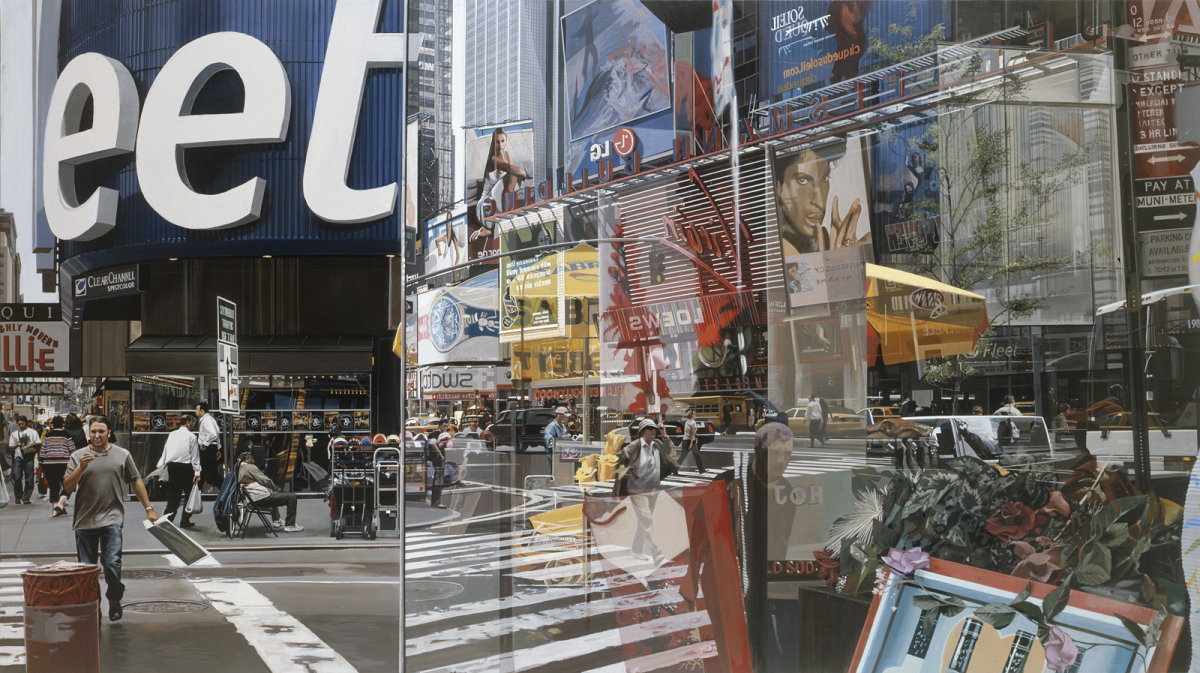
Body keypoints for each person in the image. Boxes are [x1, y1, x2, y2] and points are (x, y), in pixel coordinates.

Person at [62, 416, 159, 622]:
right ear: (89, 433)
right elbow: (67, 488)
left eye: (101, 431)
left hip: (112, 518)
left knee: (112, 563)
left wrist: (149, 509)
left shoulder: (122, 454)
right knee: (87, 570)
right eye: (93, 431)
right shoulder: (78, 456)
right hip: (84, 520)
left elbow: (135, 480)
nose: (97, 435)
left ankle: (114, 599)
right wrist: (80, 467)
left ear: (109, 433)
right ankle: (94, 606)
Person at [774, 142, 863, 256]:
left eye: (825, 178)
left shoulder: (823, 244)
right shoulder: (776, 251)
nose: (820, 202)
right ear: (778, 186)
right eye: (803, 180)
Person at [618, 418, 680, 562]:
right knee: (647, 522)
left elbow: (672, 453)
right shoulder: (634, 447)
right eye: (650, 428)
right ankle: (657, 555)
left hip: (653, 490)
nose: (654, 431)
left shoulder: (656, 445)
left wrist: (665, 435)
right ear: (642, 432)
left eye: (654, 428)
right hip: (637, 490)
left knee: (643, 522)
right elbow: (621, 460)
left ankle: (636, 549)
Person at [236, 452, 303, 532]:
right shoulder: (249, 467)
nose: (253, 459)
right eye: (252, 458)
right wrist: (274, 488)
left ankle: (276, 520)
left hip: (252, 498)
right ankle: (290, 525)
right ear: (247, 459)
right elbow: (266, 480)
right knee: (292, 497)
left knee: (270, 492)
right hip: (260, 498)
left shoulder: (240, 467)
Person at [158, 414, 201, 528]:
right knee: (188, 495)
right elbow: (195, 456)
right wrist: (197, 472)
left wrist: (162, 465)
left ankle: (167, 520)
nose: (192, 424)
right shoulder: (191, 436)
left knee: (173, 496)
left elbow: (166, 450)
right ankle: (185, 520)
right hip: (186, 468)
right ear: (187, 423)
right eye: (191, 422)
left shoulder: (172, 434)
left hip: (173, 468)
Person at [39, 417, 75, 517]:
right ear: (62, 424)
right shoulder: (67, 435)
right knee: (67, 484)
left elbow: (43, 450)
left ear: (53, 424)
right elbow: (72, 450)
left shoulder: (47, 435)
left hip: (49, 464)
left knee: (53, 485)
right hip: (64, 463)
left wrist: (42, 460)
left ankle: (55, 508)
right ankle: (61, 503)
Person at [8, 416, 41, 505]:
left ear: (26, 423)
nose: (21, 425)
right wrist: (17, 445)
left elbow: (38, 442)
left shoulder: (32, 432)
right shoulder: (14, 434)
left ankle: (26, 497)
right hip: (18, 457)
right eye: (19, 424)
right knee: (17, 477)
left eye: (22, 423)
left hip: (29, 456)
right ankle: (18, 496)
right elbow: (11, 446)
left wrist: (29, 446)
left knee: (29, 478)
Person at [195, 401, 223, 490]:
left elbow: (213, 434)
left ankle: (194, 493)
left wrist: (204, 443)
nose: (195, 411)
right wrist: (218, 447)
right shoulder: (210, 419)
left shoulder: (206, 420)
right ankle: (195, 491)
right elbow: (217, 433)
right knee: (210, 471)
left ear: (202, 411)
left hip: (207, 448)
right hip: (211, 447)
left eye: (197, 409)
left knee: (205, 471)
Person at [426, 420, 448, 508]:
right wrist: (439, 453)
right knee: (438, 480)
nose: (446, 428)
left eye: (447, 426)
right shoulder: (436, 434)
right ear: (440, 426)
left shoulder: (443, 435)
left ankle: (436, 501)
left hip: (440, 460)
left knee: (440, 480)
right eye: (444, 426)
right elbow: (432, 443)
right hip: (437, 460)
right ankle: (436, 502)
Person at [678, 409, 705, 474]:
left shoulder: (687, 421)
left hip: (685, 440)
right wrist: (691, 444)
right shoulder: (693, 422)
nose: (695, 415)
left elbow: (689, 431)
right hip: (690, 441)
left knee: (682, 456)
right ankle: (701, 470)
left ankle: (675, 469)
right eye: (695, 414)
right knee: (696, 455)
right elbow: (692, 434)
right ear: (692, 415)